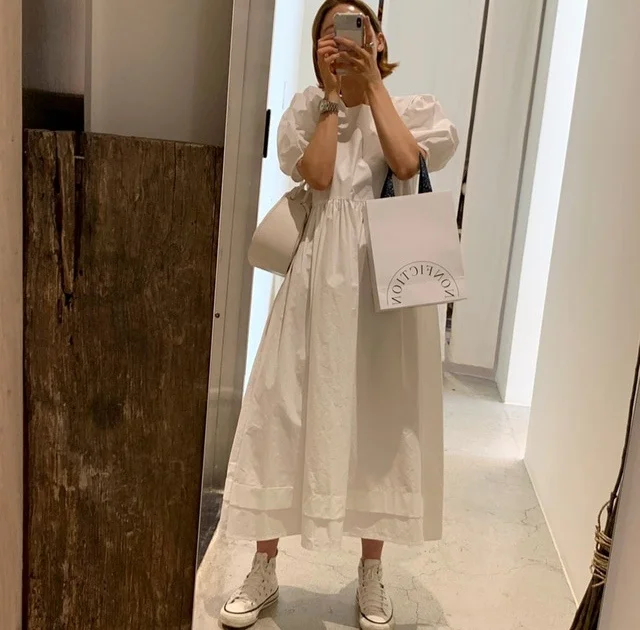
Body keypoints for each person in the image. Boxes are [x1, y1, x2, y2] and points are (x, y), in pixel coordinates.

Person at [219, 1, 458, 628]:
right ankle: (264, 564)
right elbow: (320, 177)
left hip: (384, 284)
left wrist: (371, 85)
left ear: (378, 40)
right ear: (317, 47)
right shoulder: (307, 109)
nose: (345, 39)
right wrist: (331, 98)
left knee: (378, 417)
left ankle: (371, 571)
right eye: (331, 32)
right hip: (316, 278)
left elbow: (405, 164)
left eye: (358, 28)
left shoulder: (413, 110)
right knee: (284, 409)